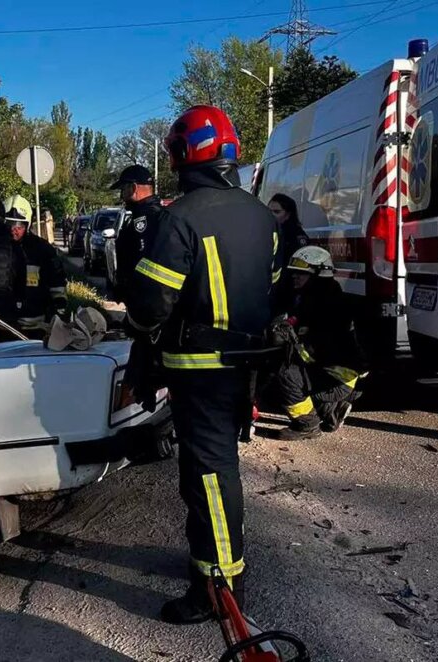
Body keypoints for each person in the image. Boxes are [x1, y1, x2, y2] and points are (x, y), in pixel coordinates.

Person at [125, 105, 279, 624]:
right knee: (218, 468)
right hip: (246, 364)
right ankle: (217, 561)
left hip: (201, 368)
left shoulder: (180, 217)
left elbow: (149, 305)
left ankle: (218, 586)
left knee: (209, 475)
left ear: (186, 154)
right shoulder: (261, 214)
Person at [268, 246, 365, 441]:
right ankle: (331, 411)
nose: (295, 277)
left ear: (320, 274)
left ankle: (308, 425)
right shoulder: (312, 296)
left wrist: (290, 338)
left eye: (302, 274)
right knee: (283, 378)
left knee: (285, 374)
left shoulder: (328, 305)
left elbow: (314, 351)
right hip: (329, 372)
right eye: (294, 273)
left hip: (336, 378)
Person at [5, 194, 68, 334]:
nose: (13, 230)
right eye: (9, 224)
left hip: (36, 326)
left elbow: (57, 281)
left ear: (27, 225)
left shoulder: (42, 249)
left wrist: (59, 308)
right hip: (4, 324)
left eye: (18, 226)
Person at [110, 164, 164, 303]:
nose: (122, 196)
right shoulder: (157, 216)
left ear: (133, 188)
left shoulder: (146, 220)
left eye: (123, 190)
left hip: (146, 302)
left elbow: (144, 263)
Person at [268, 193, 310, 260]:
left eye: (276, 212)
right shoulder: (263, 232)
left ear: (288, 215)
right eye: (269, 211)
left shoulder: (296, 237)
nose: (271, 215)